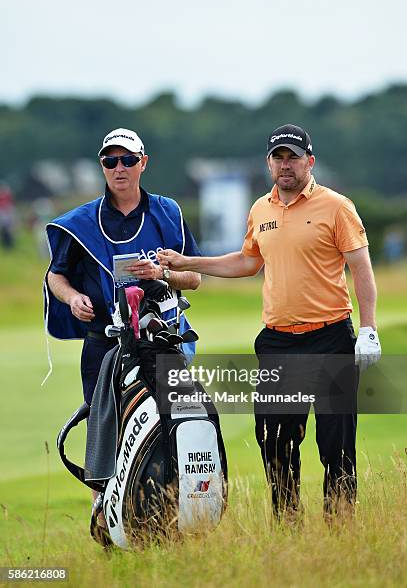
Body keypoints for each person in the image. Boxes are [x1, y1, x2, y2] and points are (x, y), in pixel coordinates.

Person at [157, 123, 382, 519]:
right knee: (275, 441)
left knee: (336, 444)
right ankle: (287, 523)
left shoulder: (336, 206)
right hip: (278, 342)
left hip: (331, 337)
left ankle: (342, 528)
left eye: (293, 157)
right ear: (268, 163)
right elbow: (247, 261)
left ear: (309, 161)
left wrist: (368, 329)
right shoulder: (260, 209)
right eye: (278, 157)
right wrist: (187, 261)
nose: (285, 165)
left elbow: (361, 267)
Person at [45, 127, 201, 407]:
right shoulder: (81, 223)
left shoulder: (168, 213)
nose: (120, 168)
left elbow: (194, 278)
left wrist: (160, 273)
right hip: (104, 346)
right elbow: (55, 275)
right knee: (106, 436)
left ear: (143, 163)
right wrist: (72, 297)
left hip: (163, 341)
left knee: (174, 432)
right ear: (102, 166)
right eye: (110, 161)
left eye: (128, 160)